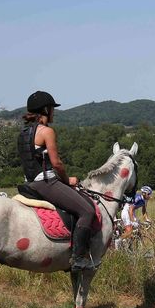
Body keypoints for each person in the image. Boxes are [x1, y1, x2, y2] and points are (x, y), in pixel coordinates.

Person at [18, 91, 96, 271]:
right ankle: (78, 258)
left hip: (28, 183)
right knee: (87, 210)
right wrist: (68, 180)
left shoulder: (23, 133)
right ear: (46, 109)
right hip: (45, 183)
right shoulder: (46, 132)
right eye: (52, 109)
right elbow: (57, 164)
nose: (54, 112)